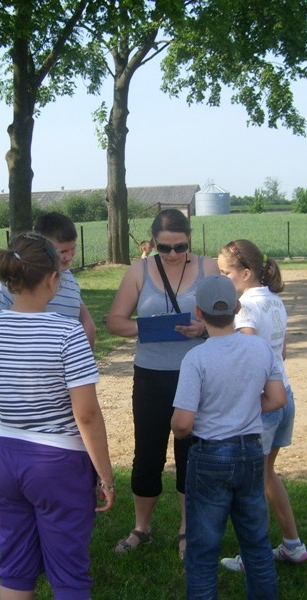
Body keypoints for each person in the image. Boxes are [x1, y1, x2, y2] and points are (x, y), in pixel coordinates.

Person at [0, 232, 116, 600]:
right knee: (69, 575)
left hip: (2, 456)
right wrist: (106, 476)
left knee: (14, 569)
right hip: (57, 463)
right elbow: (87, 415)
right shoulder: (68, 333)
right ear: (51, 278)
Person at [106, 208, 219, 558]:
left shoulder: (210, 269)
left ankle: (187, 529)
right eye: (164, 248)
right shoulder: (139, 271)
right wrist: (148, 328)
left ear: (190, 240)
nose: (172, 254)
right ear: (153, 243)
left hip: (197, 375)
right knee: (147, 453)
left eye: (180, 247)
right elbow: (115, 321)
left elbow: (231, 320)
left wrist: (204, 329)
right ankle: (142, 527)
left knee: (192, 454)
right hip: (151, 376)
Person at [171, 274, 286, 599]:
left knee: (203, 548)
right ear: (237, 308)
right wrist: (245, 405)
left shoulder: (196, 358)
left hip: (210, 455)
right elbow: (277, 399)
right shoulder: (260, 347)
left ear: (198, 312)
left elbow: (182, 424)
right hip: (251, 452)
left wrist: (191, 423)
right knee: (257, 544)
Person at [216, 240, 307, 575]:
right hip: (285, 395)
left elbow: (250, 357)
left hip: (262, 404)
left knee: (251, 485)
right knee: (267, 474)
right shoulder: (275, 301)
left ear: (245, 273)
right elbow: (280, 353)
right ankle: (293, 545)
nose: (222, 279)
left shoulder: (244, 308)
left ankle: (252, 557)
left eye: (225, 273)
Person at [0, 212, 96, 347]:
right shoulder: (15, 279)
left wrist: (85, 350)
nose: (69, 257)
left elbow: (85, 320)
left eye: (73, 249)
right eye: (63, 252)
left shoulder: (69, 278)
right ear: (43, 249)